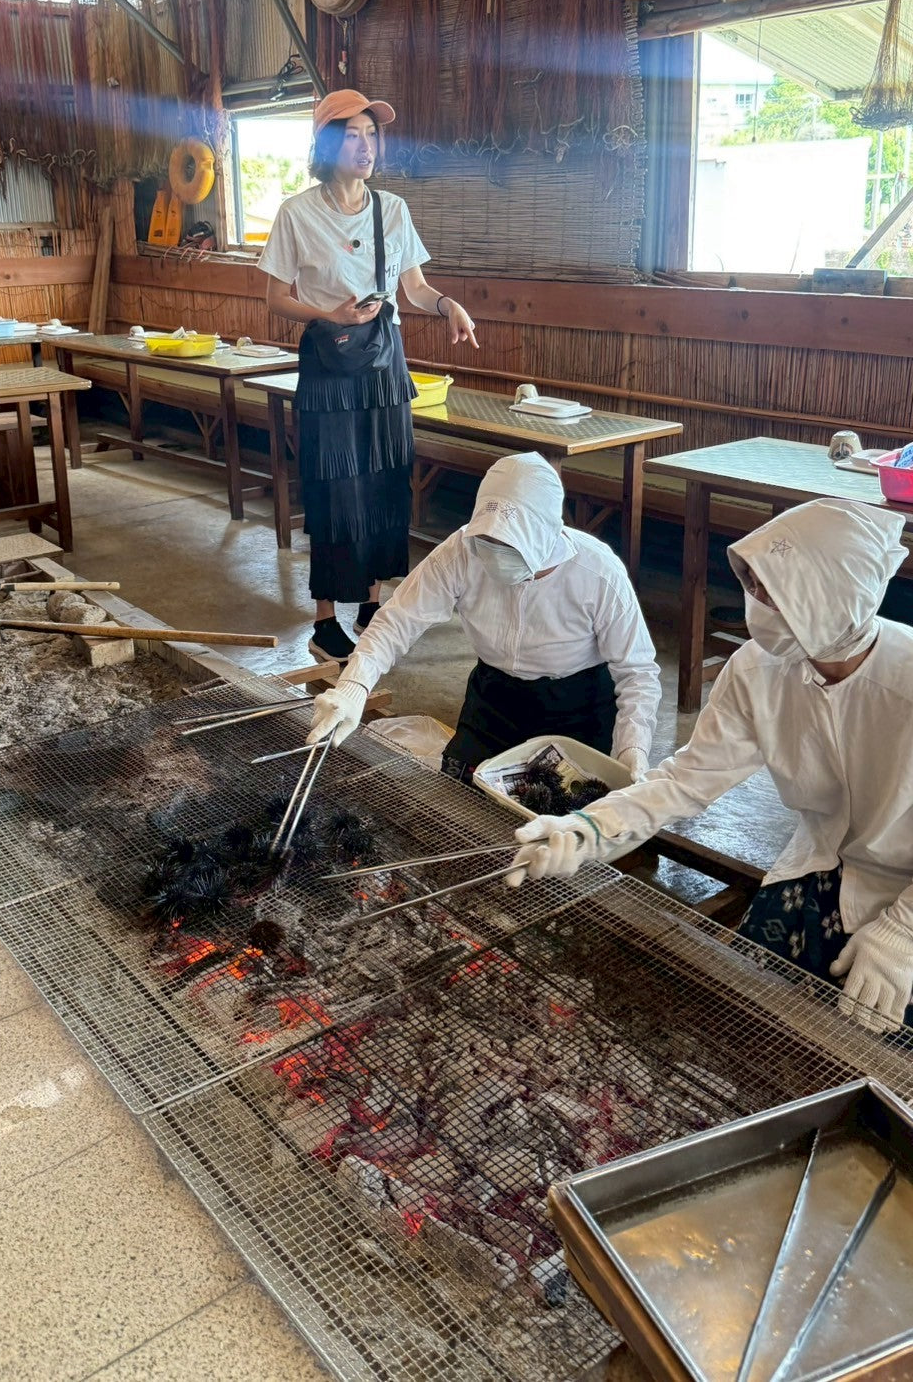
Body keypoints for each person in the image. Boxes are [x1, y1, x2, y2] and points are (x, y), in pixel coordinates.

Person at [509, 496, 913, 1035]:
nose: (756, 602)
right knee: (748, 1016)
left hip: (904, 885)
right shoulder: (758, 669)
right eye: (754, 584)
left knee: (878, 1045)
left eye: (775, 591)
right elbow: (686, 779)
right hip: (822, 861)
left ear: (830, 599)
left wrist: (903, 932)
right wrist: (589, 829)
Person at [259, 89, 477, 663]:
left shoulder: (393, 210)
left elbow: (415, 289)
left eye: (372, 134)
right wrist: (328, 313)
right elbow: (276, 298)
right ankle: (325, 620)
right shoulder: (297, 214)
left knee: (383, 480)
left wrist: (447, 305)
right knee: (334, 486)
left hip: (383, 364)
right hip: (328, 368)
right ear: (327, 145)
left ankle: (371, 604)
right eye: (353, 135)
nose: (366, 146)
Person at [307, 451, 661, 781]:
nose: (494, 553)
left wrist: (632, 747)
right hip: (495, 698)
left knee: (562, 808)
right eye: (487, 541)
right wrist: (354, 686)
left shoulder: (597, 571)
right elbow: (397, 620)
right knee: (461, 794)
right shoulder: (461, 550)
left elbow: (637, 671)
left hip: (577, 707)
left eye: (510, 544)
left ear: (547, 534)